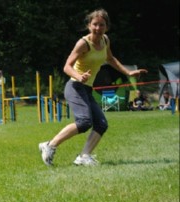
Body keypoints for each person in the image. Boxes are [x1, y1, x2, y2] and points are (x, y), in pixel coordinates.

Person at [38, 9, 147, 166]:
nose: (98, 28)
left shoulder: (105, 41)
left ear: (106, 27)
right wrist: (78, 76)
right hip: (75, 86)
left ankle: (83, 156)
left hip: (87, 89)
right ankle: (49, 145)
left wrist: (129, 72)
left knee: (101, 124)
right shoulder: (83, 43)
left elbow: (110, 59)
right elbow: (67, 66)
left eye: (101, 25)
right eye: (95, 24)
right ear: (89, 25)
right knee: (84, 121)